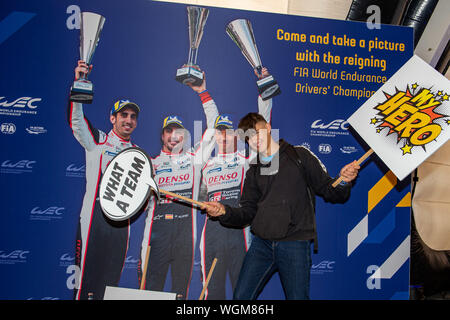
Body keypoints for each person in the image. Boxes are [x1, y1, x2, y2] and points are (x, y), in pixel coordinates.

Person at [204, 112, 360, 300]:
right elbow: (247, 212)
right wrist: (224, 211)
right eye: (249, 138)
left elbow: (330, 190)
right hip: (261, 245)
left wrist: (343, 180)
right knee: (240, 298)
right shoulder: (253, 171)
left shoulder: (299, 155)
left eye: (257, 133)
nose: (255, 140)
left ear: (268, 128)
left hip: (294, 244)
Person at [139, 72, 218, 299]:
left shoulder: (194, 158)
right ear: (162, 136)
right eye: (168, 131)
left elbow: (213, 127)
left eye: (178, 132)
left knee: (180, 295)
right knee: (149, 293)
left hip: (185, 236)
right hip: (155, 235)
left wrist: (203, 92)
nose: (174, 136)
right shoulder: (150, 164)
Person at [68, 60, 142, 300]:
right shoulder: (97, 140)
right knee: (84, 283)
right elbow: (76, 122)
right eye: (123, 115)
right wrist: (79, 84)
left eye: (132, 117)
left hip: (121, 223)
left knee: (110, 285)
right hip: (94, 219)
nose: (128, 120)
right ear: (113, 118)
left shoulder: (138, 153)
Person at [199, 68, 273, 300]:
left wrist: (265, 93)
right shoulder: (205, 164)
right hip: (211, 234)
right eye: (219, 133)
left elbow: (265, 125)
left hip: (240, 234)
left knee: (243, 293)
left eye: (228, 132)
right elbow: (200, 197)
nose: (223, 136)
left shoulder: (246, 160)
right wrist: (203, 92)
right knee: (213, 294)